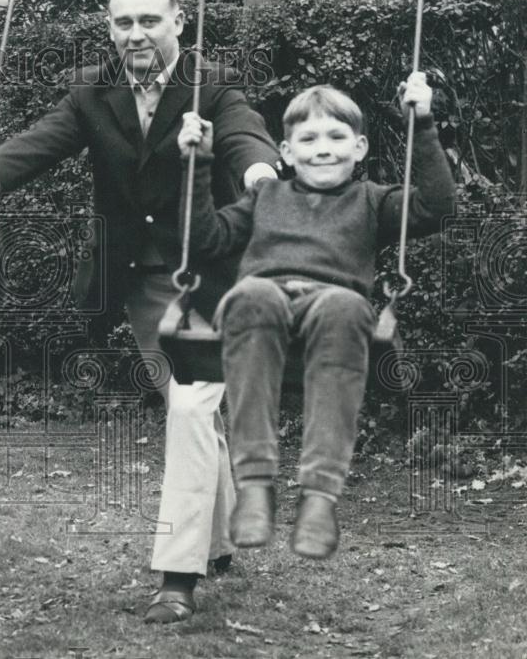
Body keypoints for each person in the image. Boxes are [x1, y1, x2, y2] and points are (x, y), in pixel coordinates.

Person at [0, 0, 280, 622]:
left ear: (177, 21)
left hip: (210, 282)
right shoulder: (91, 95)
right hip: (137, 286)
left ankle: (177, 576)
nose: (135, 34)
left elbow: (244, 136)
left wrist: (261, 170)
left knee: (187, 411)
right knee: (189, 410)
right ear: (110, 28)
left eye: (148, 20)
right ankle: (223, 534)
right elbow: (34, 146)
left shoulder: (211, 87)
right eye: (123, 22)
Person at [178, 74, 455, 558]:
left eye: (336, 137)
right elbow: (206, 239)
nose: (321, 149)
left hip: (332, 305)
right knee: (252, 298)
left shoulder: (373, 200)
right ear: (284, 151)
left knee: (345, 305)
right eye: (307, 139)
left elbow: (436, 208)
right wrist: (198, 164)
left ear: (360, 146)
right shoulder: (264, 198)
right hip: (264, 300)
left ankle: (320, 497)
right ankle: (256, 485)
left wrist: (423, 123)